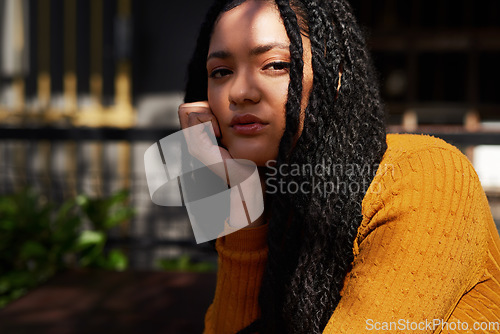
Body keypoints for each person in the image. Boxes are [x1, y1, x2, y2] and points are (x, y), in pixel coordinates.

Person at [177, 0, 500, 333]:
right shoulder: (273, 190)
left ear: (336, 74)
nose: (240, 92)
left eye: (275, 65)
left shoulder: (425, 174)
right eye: (221, 72)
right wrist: (242, 211)